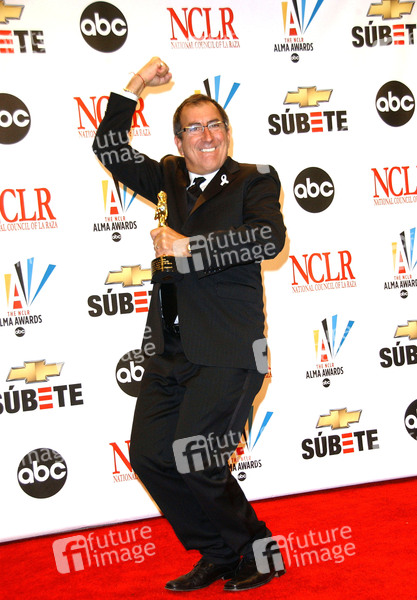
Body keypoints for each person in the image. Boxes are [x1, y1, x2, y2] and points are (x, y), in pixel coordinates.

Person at [93, 57, 287, 592]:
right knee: (151, 455)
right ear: (179, 141)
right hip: (169, 350)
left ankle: (261, 553)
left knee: (198, 458)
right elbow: (108, 148)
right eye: (194, 128)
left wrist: (189, 246)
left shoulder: (254, 180)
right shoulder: (167, 176)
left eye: (215, 125)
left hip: (229, 350)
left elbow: (269, 240)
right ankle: (219, 554)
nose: (207, 136)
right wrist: (135, 85)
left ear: (228, 131)